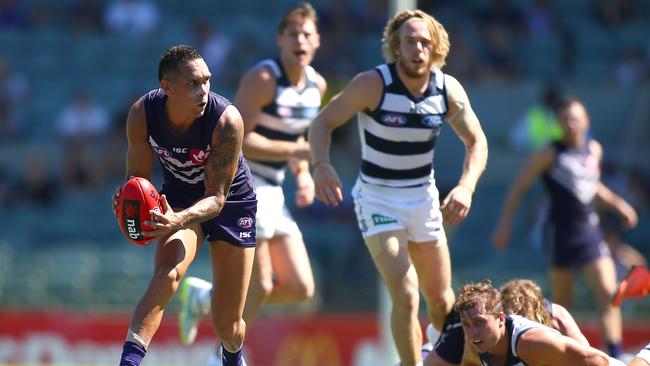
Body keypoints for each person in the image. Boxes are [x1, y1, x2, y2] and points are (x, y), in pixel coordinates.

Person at [308, 9, 488, 366]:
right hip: (377, 197)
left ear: (435, 47)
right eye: (410, 42)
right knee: (405, 293)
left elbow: (477, 140)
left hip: (422, 196)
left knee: (440, 301)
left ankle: (453, 358)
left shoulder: (446, 89)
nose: (417, 49)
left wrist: (466, 186)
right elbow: (323, 122)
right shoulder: (373, 83)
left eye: (424, 42)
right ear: (396, 45)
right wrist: (322, 165)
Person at [177, 1, 325, 359]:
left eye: (307, 34)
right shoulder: (263, 78)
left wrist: (303, 175)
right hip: (245, 185)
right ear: (280, 39)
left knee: (302, 287)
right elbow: (236, 137)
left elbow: (300, 140)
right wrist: (294, 153)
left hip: (275, 189)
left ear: (317, 40)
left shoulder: (317, 86)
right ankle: (222, 355)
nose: (300, 41)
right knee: (257, 284)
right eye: (293, 34)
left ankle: (204, 296)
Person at [113, 45, 257, 366]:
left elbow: (218, 198)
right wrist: (126, 198)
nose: (204, 91)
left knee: (228, 325)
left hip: (232, 204)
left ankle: (231, 357)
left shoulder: (226, 121)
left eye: (207, 81)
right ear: (167, 88)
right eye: (193, 84)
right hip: (178, 198)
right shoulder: (143, 114)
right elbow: (136, 179)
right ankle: (129, 362)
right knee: (168, 274)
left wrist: (178, 219)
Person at [492, 97, 639, 360]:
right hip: (561, 235)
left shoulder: (594, 150)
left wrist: (619, 206)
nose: (571, 123)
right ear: (559, 123)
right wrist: (504, 224)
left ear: (586, 121)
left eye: (575, 118)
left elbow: (592, 186)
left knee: (608, 294)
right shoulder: (549, 154)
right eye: (565, 119)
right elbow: (519, 187)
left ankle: (615, 356)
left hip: (590, 232)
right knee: (562, 305)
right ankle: (561, 357)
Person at [424, 278, 589, 366]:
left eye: (526, 321)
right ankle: (428, 347)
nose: (518, 322)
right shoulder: (472, 332)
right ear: (501, 318)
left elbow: (588, 355)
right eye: (514, 317)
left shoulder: (556, 319)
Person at [455, 280, 620, 366]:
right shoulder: (474, 345)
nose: (472, 332)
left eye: (479, 322)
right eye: (467, 325)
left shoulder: (531, 344)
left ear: (500, 318)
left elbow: (598, 361)